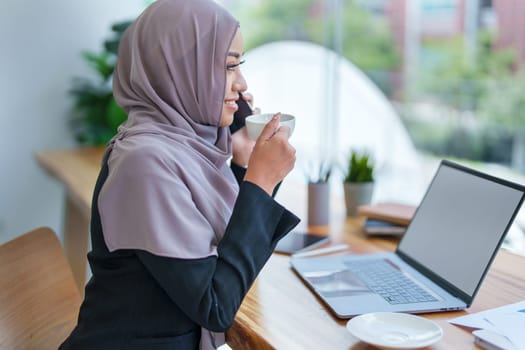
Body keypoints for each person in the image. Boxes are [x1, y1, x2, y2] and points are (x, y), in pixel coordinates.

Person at [59, 0, 300, 349]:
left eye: (240, 66)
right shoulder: (145, 163)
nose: (241, 84)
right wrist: (260, 182)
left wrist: (243, 165)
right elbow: (215, 305)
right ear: (183, 70)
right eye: (229, 67)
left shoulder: (180, 148)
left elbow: (212, 250)